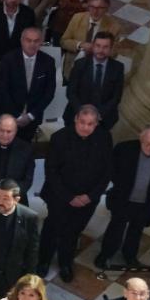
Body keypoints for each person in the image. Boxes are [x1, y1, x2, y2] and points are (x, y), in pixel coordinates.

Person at [38, 105, 113, 282]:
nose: (86, 127)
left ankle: (65, 263)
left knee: (73, 232)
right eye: (82, 122)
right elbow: (52, 171)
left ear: (96, 123)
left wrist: (90, 196)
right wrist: (69, 197)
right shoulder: (60, 138)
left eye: (90, 124)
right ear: (75, 120)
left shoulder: (104, 138)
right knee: (52, 229)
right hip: (59, 196)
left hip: (87, 200)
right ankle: (43, 261)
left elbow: (107, 172)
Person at [97, 125, 150, 269]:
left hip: (146, 202)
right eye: (146, 143)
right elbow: (112, 170)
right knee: (115, 229)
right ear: (140, 139)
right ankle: (105, 254)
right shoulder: (124, 149)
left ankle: (129, 255)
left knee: (136, 231)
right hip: (123, 198)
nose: (148, 147)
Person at [0, 27, 58, 142]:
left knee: (24, 151)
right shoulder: (8, 59)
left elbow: (49, 92)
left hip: (32, 117)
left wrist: (30, 116)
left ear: (41, 42)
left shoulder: (48, 62)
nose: (32, 44)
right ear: (22, 40)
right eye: (28, 40)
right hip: (8, 114)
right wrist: (17, 116)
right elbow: (2, 91)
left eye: (36, 41)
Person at [64, 32, 125, 131]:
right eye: (98, 46)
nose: (101, 50)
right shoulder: (80, 64)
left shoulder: (118, 68)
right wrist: (83, 112)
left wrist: (98, 114)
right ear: (93, 46)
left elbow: (116, 97)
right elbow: (71, 92)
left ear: (111, 48)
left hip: (104, 119)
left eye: (105, 47)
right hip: (77, 115)